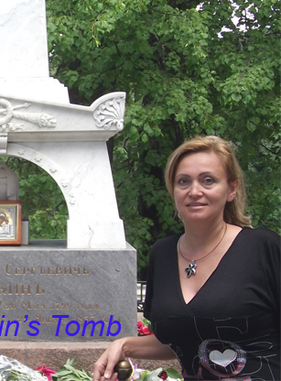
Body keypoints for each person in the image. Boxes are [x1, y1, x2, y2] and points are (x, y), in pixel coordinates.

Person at [92, 136, 280, 381]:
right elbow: (185, 338)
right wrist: (124, 345)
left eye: (208, 180)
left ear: (231, 188)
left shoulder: (263, 248)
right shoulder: (163, 254)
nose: (194, 191)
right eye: (183, 182)